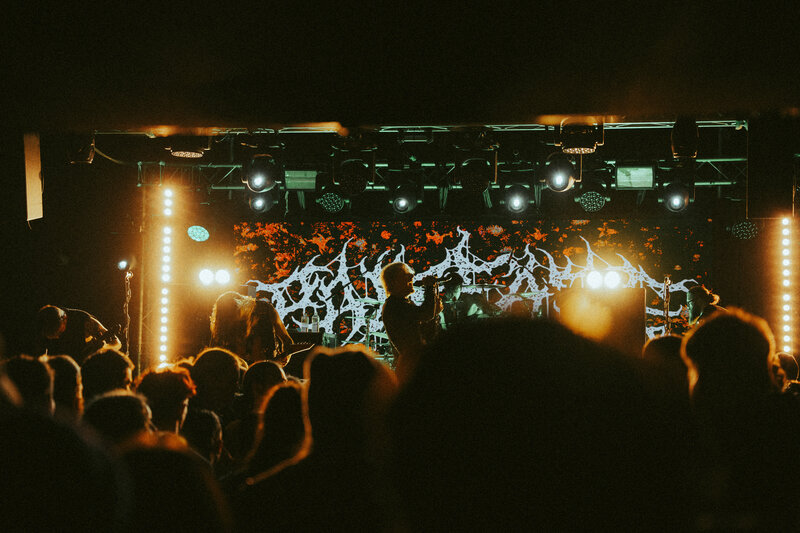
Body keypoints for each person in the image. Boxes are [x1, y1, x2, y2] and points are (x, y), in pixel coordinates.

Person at [380, 262, 442, 382]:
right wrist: (429, 288)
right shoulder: (395, 305)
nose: (412, 277)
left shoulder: (402, 303)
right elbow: (425, 313)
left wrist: (435, 311)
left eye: (411, 274)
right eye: (406, 275)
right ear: (393, 282)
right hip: (411, 368)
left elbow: (424, 325)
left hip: (414, 364)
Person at [210, 291, 294, 365]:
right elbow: (213, 351)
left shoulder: (266, 310)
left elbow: (287, 340)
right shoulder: (224, 325)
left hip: (267, 370)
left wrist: (285, 357)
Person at [34, 305, 120, 365]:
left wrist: (102, 348)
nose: (57, 337)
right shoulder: (43, 325)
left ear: (64, 319)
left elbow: (117, 344)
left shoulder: (84, 321)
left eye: (59, 332)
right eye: (52, 336)